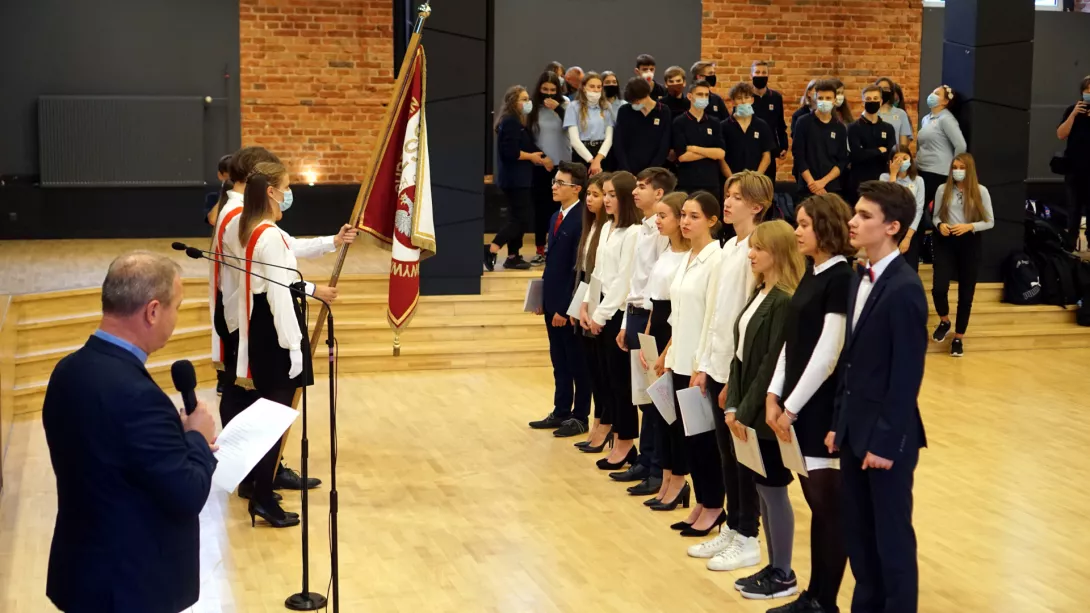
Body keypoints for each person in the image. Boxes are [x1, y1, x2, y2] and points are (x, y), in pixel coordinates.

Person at [42, 252, 217, 613]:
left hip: (82, 572)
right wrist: (197, 436)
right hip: (129, 587)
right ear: (153, 311)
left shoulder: (67, 371)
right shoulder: (137, 396)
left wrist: (177, 438)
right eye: (177, 307)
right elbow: (187, 493)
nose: (176, 317)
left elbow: (116, 456)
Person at [219, 161, 351, 496]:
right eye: (287, 188)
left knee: (267, 413)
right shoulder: (268, 234)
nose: (289, 194)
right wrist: (295, 347)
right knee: (275, 416)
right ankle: (262, 493)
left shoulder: (255, 228)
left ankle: (257, 486)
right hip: (277, 330)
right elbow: (279, 290)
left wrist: (333, 241)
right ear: (272, 193)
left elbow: (288, 256)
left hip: (262, 325)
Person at [829, 180, 928, 613]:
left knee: (891, 540)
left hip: (888, 437)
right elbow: (849, 361)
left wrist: (886, 442)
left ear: (892, 226)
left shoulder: (905, 288)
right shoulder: (858, 276)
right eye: (855, 212)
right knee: (860, 537)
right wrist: (838, 422)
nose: (852, 221)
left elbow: (907, 374)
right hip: (853, 429)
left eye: (864, 216)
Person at [764, 194, 856, 613]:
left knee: (828, 509)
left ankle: (824, 601)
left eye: (804, 224)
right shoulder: (811, 272)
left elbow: (828, 352)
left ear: (825, 227)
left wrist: (792, 406)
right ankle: (814, 596)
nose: (797, 231)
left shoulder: (840, 276)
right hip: (795, 405)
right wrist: (772, 393)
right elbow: (792, 341)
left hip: (819, 409)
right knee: (819, 507)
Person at [686, 171, 770, 571]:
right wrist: (704, 364)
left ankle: (749, 535)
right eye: (727, 195)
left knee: (744, 457)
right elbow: (713, 313)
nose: (729, 202)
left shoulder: (758, 247)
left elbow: (746, 316)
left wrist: (734, 377)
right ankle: (733, 526)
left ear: (757, 205)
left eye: (737, 197)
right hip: (717, 362)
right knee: (725, 454)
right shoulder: (726, 248)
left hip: (739, 368)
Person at [723, 220, 804, 601]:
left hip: (764, 412)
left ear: (780, 253)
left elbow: (772, 363)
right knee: (762, 487)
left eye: (760, 248)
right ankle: (774, 566)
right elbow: (740, 357)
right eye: (751, 247)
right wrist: (734, 403)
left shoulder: (785, 299)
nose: (751, 254)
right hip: (746, 408)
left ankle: (784, 571)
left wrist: (746, 408)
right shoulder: (759, 292)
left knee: (773, 491)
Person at [655, 191, 724, 536]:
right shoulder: (687, 258)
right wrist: (668, 352)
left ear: (712, 221)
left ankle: (714, 504)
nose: (685, 221)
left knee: (704, 440)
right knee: (689, 438)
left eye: (694, 216)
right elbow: (678, 315)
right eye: (683, 214)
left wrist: (703, 366)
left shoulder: (716, 259)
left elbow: (714, 317)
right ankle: (702, 499)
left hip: (699, 364)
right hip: (680, 358)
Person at [610, 167, 677, 491]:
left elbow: (656, 288)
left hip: (654, 316)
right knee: (641, 394)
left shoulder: (664, 234)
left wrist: (644, 321)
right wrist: (625, 320)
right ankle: (644, 460)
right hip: (636, 313)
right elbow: (636, 283)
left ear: (659, 193)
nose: (635, 192)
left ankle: (655, 465)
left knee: (654, 397)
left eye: (641, 186)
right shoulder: (643, 229)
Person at [210, 146, 279, 411]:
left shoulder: (237, 207)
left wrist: (331, 242)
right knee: (243, 394)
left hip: (237, 305)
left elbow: (281, 246)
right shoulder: (240, 214)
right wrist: (312, 288)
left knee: (241, 391)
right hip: (242, 310)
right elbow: (262, 265)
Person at [580, 171, 641, 469]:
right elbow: (599, 274)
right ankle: (617, 439)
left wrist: (602, 314)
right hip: (600, 310)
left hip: (617, 314)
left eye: (612, 194)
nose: (606, 199)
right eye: (604, 193)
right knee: (605, 380)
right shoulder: (606, 229)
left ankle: (626, 442)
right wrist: (588, 306)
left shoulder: (634, 232)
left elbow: (623, 280)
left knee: (621, 383)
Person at [529, 162, 592, 436]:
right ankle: (561, 410)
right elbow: (552, 264)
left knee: (577, 362)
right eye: (554, 182)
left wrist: (567, 308)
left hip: (568, 306)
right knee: (559, 361)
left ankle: (580, 416)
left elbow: (577, 269)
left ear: (577, 188)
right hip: (552, 301)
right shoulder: (556, 215)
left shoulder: (583, 219)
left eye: (560, 183)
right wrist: (543, 297)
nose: (554, 186)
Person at [638, 191, 690, 507]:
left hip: (672, 334)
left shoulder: (688, 258)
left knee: (673, 417)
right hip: (655, 328)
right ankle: (665, 475)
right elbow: (654, 301)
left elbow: (677, 310)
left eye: (663, 216)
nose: (658, 221)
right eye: (657, 216)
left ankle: (676, 479)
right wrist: (645, 337)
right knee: (658, 411)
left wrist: (666, 350)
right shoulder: (665, 251)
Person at [931, 153, 994, 357]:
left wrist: (969, 226)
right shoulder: (943, 189)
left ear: (969, 169)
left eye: (961, 167)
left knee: (966, 293)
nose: (957, 170)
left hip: (969, 241)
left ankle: (958, 337)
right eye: (954, 167)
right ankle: (944, 320)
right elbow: (936, 216)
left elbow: (990, 221)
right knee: (939, 287)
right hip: (946, 241)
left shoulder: (980, 191)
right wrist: (940, 225)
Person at [487, 85, 549, 271]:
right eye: (523, 99)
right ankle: (492, 248)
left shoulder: (518, 122)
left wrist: (542, 158)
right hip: (514, 179)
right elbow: (511, 153)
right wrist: (532, 157)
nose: (528, 102)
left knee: (518, 216)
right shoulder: (511, 122)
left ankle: (513, 256)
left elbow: (527, 147)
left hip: (520, 178)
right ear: (513, 102)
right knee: (521, 218)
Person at [574, 173, 612, 452]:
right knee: (589, 365)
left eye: (597, 195)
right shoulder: (591, 226)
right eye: (589, 194)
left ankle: (604, 423)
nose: (591, 199)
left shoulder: (610, 229)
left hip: (601, 299)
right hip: (587, 296)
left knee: (603, 371)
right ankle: (597, 421)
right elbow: (584, 273)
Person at [528, 71, 572, 266]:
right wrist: (542, 157)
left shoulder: (566, 105)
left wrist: (559, 110)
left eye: (552, 90)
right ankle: (539, 249)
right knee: (541, 208)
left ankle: (559, 247)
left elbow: (574, 127)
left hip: (562, 164)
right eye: (545, 89)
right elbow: (528, 136)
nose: (548, 94)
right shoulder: (532, 108)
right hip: (541, 164)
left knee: (562, 206)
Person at [792, 80, 848, 199]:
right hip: (807, 186)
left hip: (831, 187)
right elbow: (798, 155)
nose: (824, 101)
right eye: (821, 98)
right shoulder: (803, 122)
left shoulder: (840, 127)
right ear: (815, 99)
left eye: (828, 98)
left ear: (834, 100)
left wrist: (823, 182)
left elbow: (842, 160)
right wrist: (812, 183)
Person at [672, 80, 727, 203]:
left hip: (711, 182)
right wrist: (710, 152)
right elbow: (683, 156)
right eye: (700, 95)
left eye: (706, 95)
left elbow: (720, 154)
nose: (704, 98)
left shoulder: (714, 122)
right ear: (690, 96)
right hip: (688, 182)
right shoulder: (679, 122)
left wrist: (694, 149)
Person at [917, 84, 967, 211]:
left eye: (937, 94)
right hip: (923, 168)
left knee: (922, 206)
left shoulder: (946, 119)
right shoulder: (926, 119)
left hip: (938, 171)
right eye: (933, 92)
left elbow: (961, 145)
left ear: (945, 101)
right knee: (918, 206)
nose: (932, 95)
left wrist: (954, 168)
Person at [1056, 75, 1090, 252]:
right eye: (1087, 92)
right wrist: (1074, 115)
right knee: (1073, 210)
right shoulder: (1072, 111)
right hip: (1074, 170)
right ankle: (1069, 245)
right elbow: (1061, 134)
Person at [613, 77, 672, 175]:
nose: (636, 103)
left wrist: (651, 171)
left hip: (654, 169)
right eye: (633, 101)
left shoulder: (663, 111)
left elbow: (664, 144)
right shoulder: (624, 110)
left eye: (638, 100)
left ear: (646, 94)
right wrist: (626, 169)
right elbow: (618, 142)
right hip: (628, 168)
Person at [848, 85, 896, 200]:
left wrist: (867, 152)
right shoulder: (853, 127)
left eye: (875, 99)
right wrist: (879, 150)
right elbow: (857, 155)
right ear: (863, 102)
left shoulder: (888, 128)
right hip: (859, 180)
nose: (872, 102)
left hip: (882, 179)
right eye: (868, 99)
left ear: (881, 102)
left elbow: (890, 154)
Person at [881, 150, 926, 271]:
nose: (901, 161)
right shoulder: (884, 178)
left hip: (909, 230)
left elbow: (919, 208)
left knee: (909, 269)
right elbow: (888, 201)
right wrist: (893, 175)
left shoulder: (918, 180)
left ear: (910, 161)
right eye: (897, 158)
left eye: (905, 158)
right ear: (891, 162)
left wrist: (907, 238)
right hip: (889, 229)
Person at [564, 72, 615, 177]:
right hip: (582, 154)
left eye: (599, 87)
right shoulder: (573, 107)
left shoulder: (607, 106)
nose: (596, 90)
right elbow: (574, 140)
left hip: (602, 154)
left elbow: (609, 138)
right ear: (583, 87)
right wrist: (592, 161)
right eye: (592, 86)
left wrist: (598, 160)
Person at [720, 82, 775, 180]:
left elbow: (767, 156)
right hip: (730, 180)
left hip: (755, 181)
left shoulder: (762, 125)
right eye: (739, 98)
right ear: (733, 102)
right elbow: (721, 158)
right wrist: (731, 178)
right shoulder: (723, 126)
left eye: (746, 97)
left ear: (752, 100)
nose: (743, 101)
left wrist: (756, 177)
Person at [750, 61, 790, 183]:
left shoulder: (776, 97)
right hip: (751, 147)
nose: (760, 75)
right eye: (757, 72)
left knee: (768, 183)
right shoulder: (746, 97)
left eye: (764, 73)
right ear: (751, 75)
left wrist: (783, 146)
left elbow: (780, 124)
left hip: (769, 147)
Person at [875, 77, 914, 152]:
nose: (883, 91)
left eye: (886, 88)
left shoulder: (901, 114)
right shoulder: (871, 112)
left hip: (894, 157)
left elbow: (903, 144)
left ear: (891, 91)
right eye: (880, 88)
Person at [205, 153, 233, 226]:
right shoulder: (212, 195)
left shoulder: (246, 193)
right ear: (220, 175)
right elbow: (212, 220)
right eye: (230, 175)